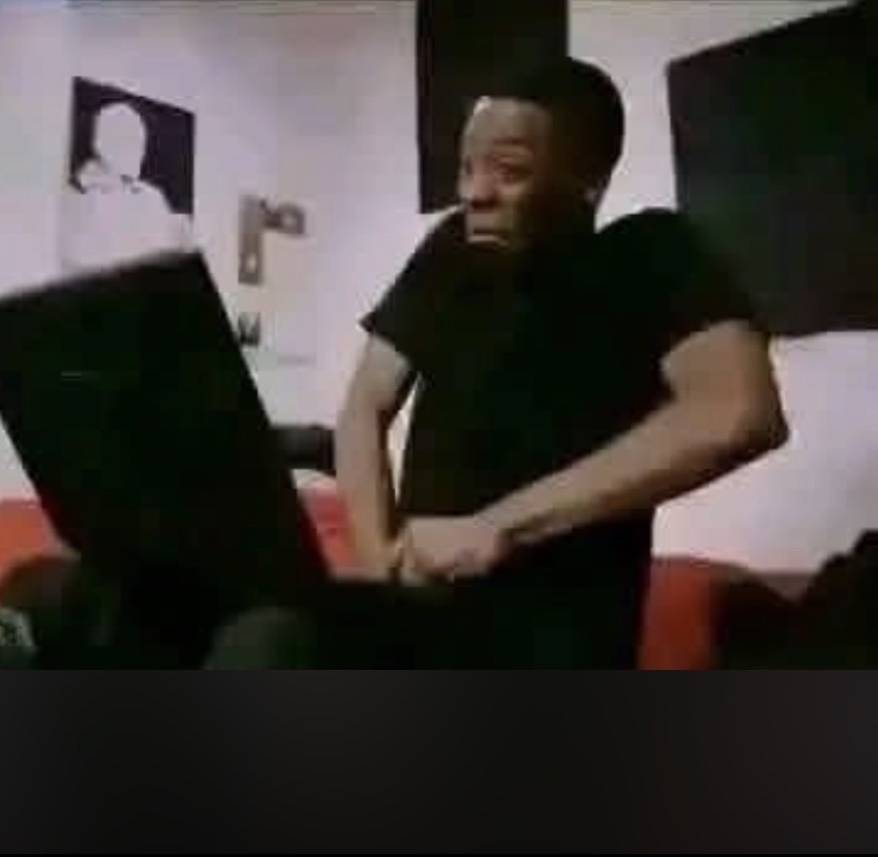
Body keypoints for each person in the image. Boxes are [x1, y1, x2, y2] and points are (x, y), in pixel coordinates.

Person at [326, 57, 789, 668]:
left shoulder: (653, 256)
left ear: (589, 180)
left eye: (509, 171)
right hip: (423, 626)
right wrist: (378, 570)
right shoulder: (450, 255)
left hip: (553, 649)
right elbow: (365, 404)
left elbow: (739, 412)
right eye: (466, 168)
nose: (473, 193)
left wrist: (495, 528)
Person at [59, 100, 193, 272]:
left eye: (141, 141)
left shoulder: (151, 196)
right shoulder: (78, 198)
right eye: (130, 141)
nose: (140, 151)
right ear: (104, 143)